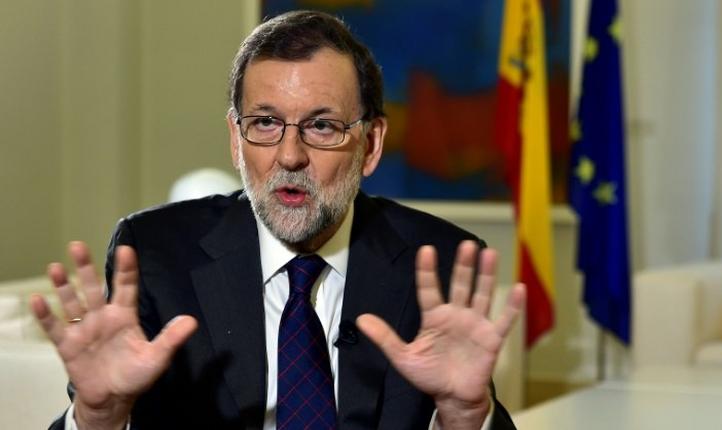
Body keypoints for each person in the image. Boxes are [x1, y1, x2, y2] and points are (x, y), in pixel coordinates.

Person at [30, 10, 525, 430]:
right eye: (264, 123)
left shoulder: (437, 264)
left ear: (371, 144)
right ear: (234, 139)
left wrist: (465, 414)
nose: (289, 156)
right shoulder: (157, 255)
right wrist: (99, 415)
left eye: (322, 126)